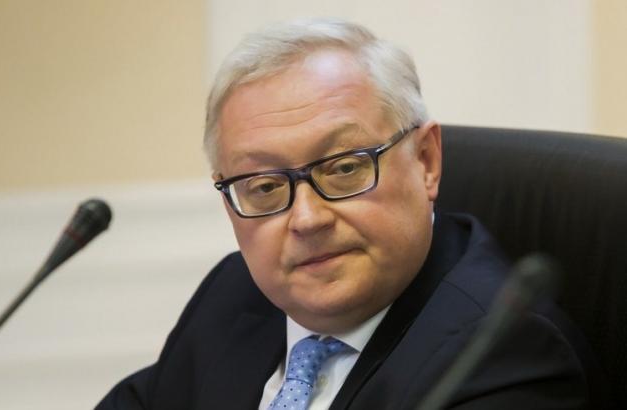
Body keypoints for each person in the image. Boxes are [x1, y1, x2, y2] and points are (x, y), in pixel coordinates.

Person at [96, 18, 605, 409]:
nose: (307, 219)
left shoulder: (503, 357)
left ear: (426, 161)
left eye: (344, 168)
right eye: (265, 186)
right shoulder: (236, 294)